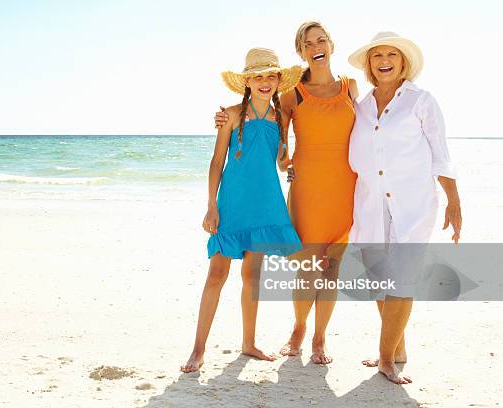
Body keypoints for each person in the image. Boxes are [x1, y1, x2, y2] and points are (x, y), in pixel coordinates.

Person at [215, 21, 359, 364]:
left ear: (331, 44)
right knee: (307, 264)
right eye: (307, 44)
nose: (315, 47)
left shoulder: (352, 87)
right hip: (307, 185)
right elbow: (270, 134)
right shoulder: (292, 95)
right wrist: (229, 120)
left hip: (346, 186)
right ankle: (298, 328)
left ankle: (320, 339)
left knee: (332, 266)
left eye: (320, 40)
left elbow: (371, 131)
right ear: (301, 52)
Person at [347, 31, 462, 384]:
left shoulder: (422, 101)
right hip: (369, 204)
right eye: (377, 55)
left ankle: (385, 359)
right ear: (369, 64)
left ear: (403, 61)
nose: (384, 60)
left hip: (412, 204)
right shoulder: (362, 106)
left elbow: (441, 155)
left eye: (391, 55)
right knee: (379, 281)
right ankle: (397, 348)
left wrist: (454, 201)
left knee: (400, 280)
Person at [181, 48, 303, 373]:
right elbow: (217, 161)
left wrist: (294, 168)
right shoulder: (232, 115)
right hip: (232, 207)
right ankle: (198, 349)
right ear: (247, 81)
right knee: (217, 274)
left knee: (253, 275)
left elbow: (280, 160)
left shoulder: (280, 119)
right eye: (258, 76)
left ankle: (248, 343)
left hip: (265, 207)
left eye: (271, 76)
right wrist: (211, 205)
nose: (265, 82)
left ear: (278, 81)